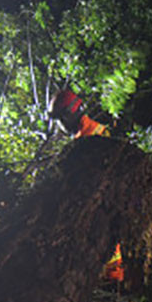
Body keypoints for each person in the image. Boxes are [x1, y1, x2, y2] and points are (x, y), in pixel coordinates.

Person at [48, 88, 123, 282]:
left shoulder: (88, 139)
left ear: (70, 114)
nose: (60, 125)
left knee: (103, 249)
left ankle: (113, 282)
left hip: (98, 206)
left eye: (60, 119)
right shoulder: (93, 131)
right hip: (98, 205)